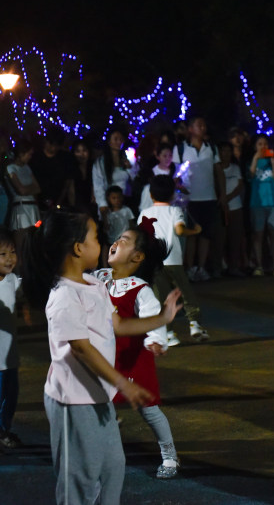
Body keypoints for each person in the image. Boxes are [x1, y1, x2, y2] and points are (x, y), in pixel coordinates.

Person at [20, 211, 182, 505]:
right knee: (79, 481)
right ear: (78, 249)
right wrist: (124, 383)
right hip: (73, 402)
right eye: (96, 237)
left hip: (98, 396)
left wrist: (162, 318)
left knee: (112, 467)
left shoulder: (94, 285)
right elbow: (82, 349)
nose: (104, 242)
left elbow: (118, 325)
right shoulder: (64, 296)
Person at [94, 223, 181, 479]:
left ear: (137, 257)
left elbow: (154, 316)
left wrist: (155, 340)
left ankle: (170, 455)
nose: (115, 242)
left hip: (132, 358)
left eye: (124, 240)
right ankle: (103, 451)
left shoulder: (140, 289)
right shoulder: (99, 277)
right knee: (100, 405)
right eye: (117, 238)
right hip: (105, 356)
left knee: (148, 409)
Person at [140, 175, 208, 344]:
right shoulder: (174, 211)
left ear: (151, 195)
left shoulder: (144, 213)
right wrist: (195, 231)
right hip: (173, 260)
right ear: (172, 195)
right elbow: (179, 231)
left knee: (161, 297)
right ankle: (194, 324)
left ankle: (169, 334)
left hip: (154, 262)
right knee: (185, 292)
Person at [172, 115, 226, 282]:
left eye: (203, 125)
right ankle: (190, 268)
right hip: (190, 198)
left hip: (208, 196)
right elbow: (176, 174)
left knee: (205, 234)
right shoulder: (181, 149)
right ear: (190, 129)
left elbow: (218, 171)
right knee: (191, 235)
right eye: (199, 125)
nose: (203, 128)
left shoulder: (211, 148)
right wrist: (178, 186)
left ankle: (201, 267)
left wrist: (222, 194)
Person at [0, 227, 22, 449]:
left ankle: (4, 430)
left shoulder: (13, 279)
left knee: (11, 395)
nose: (10, 259)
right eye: (3, 254)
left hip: (11, 355)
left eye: (12, 252)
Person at [249, 134, 274, 276]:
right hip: (257, 203)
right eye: (260, 144)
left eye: (265, 144)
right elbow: (250, 177)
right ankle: (259, 266)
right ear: (255, 147)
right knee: (258, 234)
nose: (263, 147)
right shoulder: (252, 161)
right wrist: (255, 159)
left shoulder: (273, 161)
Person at [6, 142, 41, 256]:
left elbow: (38, 188)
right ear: (21, 154)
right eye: (28, 154)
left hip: (33, 208)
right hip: (21, 208)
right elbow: (21, 190)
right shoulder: (11, 168)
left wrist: (28, 189)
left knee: (34, 244)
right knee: (21, 247)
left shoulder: (27, 167)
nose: (30, 157)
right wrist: (30, 189)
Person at [93, 128, 134, 220]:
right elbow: (98, 186)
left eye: (121, 139)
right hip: (110, 204)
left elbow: (135, 178)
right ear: (109, 142)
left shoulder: (128, 159)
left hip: (125, 201)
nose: (119, 142)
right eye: (115, 139)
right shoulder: (100, 163)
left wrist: (129, 168)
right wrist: (103, 206)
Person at [29, 131, 75, 214]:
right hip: (39, 201)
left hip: (60, 202)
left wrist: (59, 202)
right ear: (45, 141)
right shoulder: (35, 158)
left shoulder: (64, 158)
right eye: (51, 144)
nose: (53, 148)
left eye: (56, 146)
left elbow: (68, 182)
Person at [218, 142, 246, 277]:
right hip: (220, 209)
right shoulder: (216, 169)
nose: (227, 154)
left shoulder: (235, 168)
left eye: (229, 151)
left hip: (235, 207)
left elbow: (240, 186)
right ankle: (219, 266)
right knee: (221, 239)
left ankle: (234, 266)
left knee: (235, 239)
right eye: (224, 151)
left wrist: (227, 198)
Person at [71, 140, 96, 217]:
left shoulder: (93, 166)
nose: (81, 154)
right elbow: (70, 190)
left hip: (92, 203)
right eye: (78, 151)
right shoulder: (72, 168)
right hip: (77, 204)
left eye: (84, 150)